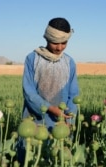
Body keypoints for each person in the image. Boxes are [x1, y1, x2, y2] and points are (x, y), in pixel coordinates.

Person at [18, 17, 79, 164]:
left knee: (57, 158)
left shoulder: (69, 62)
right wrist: (50, 108)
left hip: (60, 122)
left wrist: (69, 118)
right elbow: (29, 92)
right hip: (34, 119)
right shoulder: (33, 58)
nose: (59, 47)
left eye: (63, 43)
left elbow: (73, 94)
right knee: (31, 158)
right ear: (47, 38)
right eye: (55, 43)